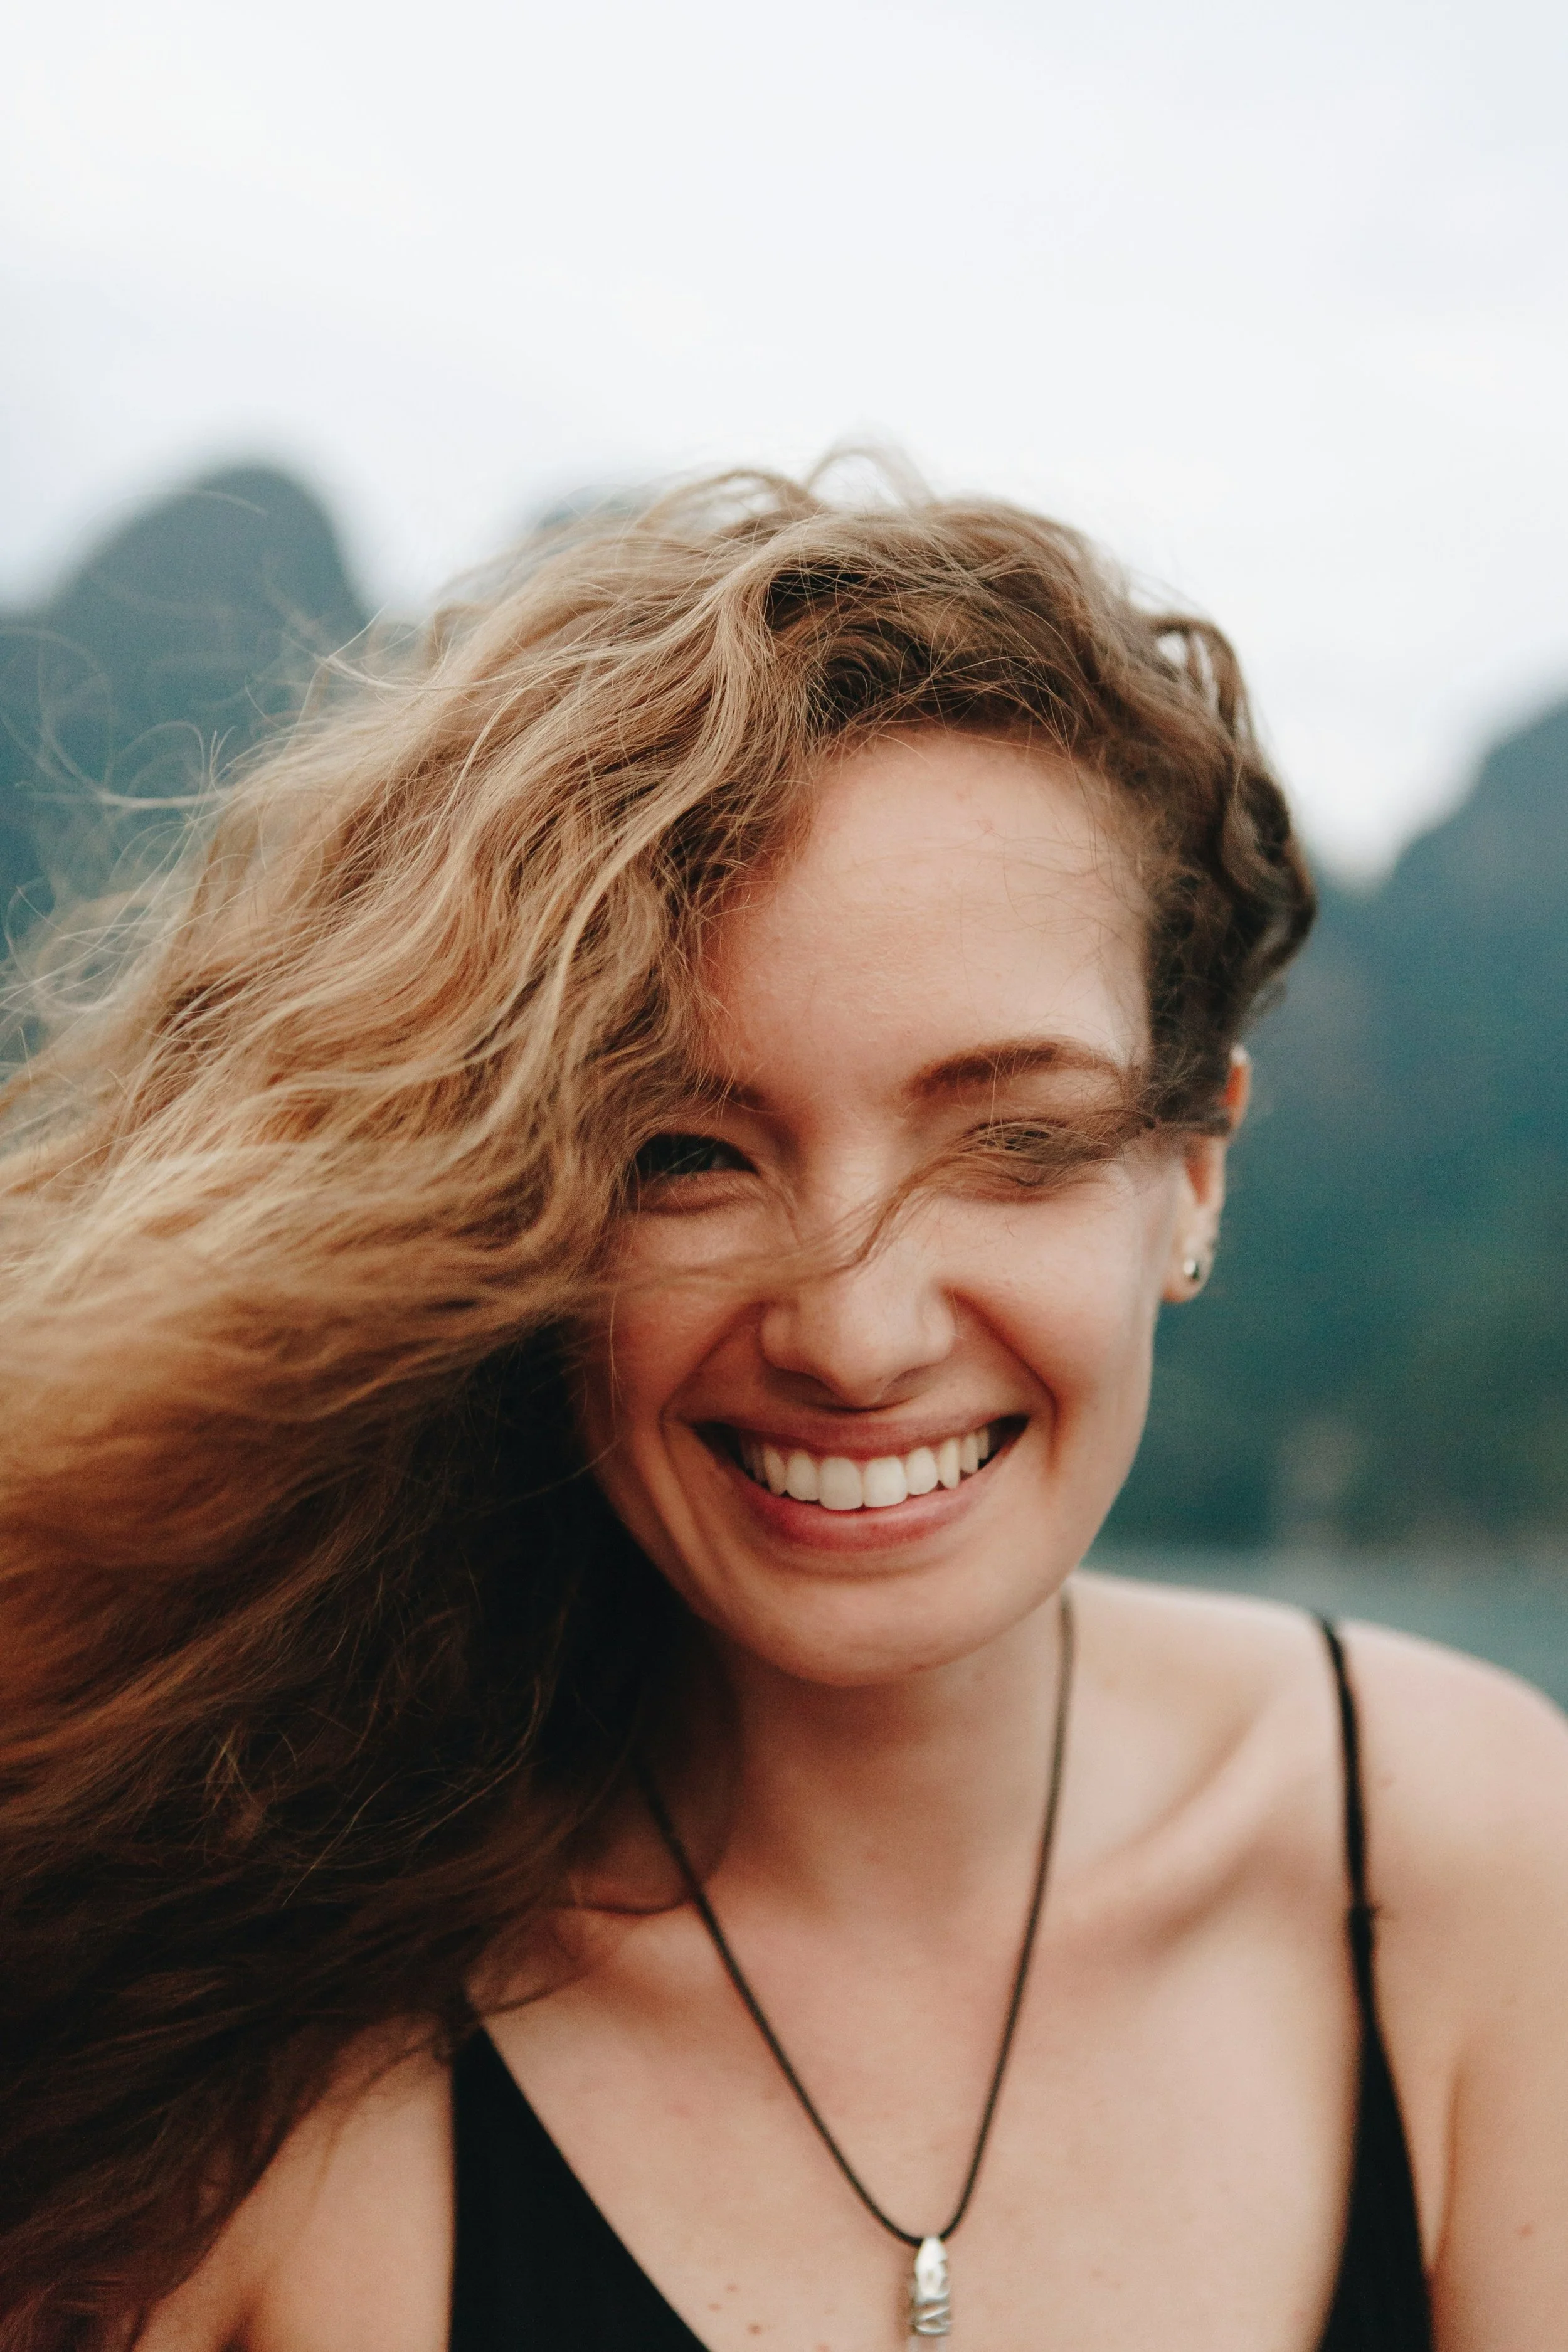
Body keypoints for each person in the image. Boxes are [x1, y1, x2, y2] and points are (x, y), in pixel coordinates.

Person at [3, 470, 1565, 2352]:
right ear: (509, 1203)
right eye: (685, 1153)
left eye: (1015, 1142)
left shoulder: (1475, 1872)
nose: (852, 1326)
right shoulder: (262, 2076)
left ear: (1193, 1170)